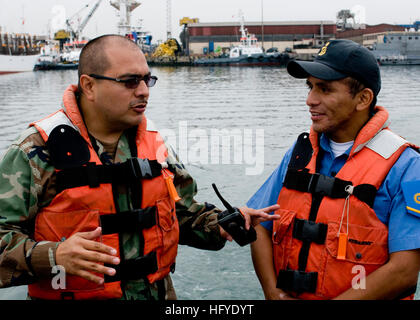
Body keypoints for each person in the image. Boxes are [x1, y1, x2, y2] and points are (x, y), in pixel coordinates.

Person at [0, 34, 278, 300]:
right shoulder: (35, 152)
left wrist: (222, 223)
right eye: (130, 81)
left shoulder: (155, 144)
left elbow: (180, 213)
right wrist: (54, 255)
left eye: (147, 79)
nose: (144, 91)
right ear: (89, 86)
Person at [248, 39, 420, 300]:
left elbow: (404, 270)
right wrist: (273, 293)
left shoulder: (407, 166)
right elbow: (260, 223)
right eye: (310, 87)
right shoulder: (300, 153)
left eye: (325, 89)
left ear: (363, 99)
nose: (310, 100)